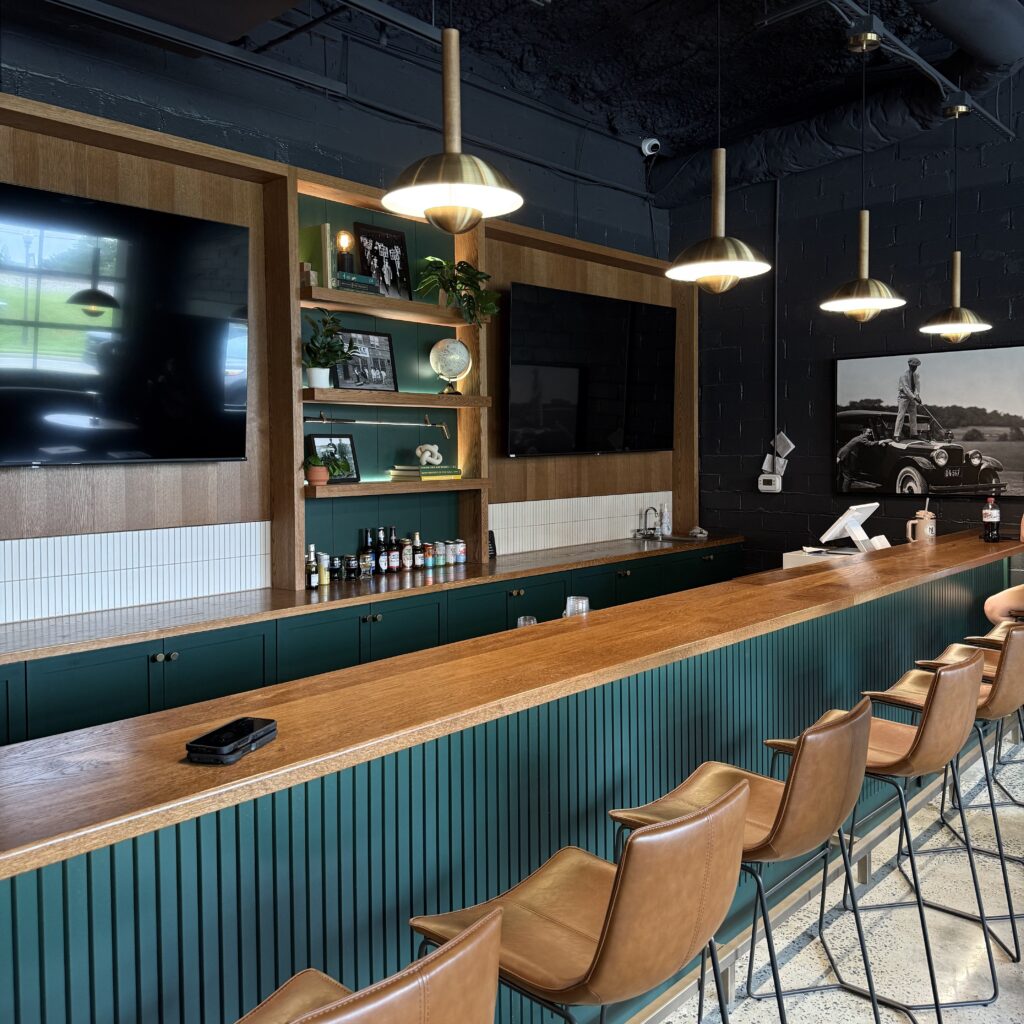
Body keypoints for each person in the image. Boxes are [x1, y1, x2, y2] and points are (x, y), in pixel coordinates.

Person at [836, 425, 878, 491]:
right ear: (864, 432)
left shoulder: (859, 437)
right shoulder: (863, 437)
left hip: (842, 453)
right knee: (847, 476)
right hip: (846, 455)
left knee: (841, 475)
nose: (870, 434)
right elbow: (869, 444)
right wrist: (881, 442)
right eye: (869, 432)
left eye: (871, 433)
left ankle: (839, 489)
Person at [895, 357, 922, 439]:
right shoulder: (904, 375)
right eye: (913, 366)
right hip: (903, 397)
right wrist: (914, 397)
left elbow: (917, 386)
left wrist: (917, 395)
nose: (914, 368)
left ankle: (914, 434)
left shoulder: (916, 375)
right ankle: (896, 435)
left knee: (913, 416)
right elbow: (906, 389)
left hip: (912, 397)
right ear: (909, 365)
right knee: (901, 415)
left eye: (916, 366)